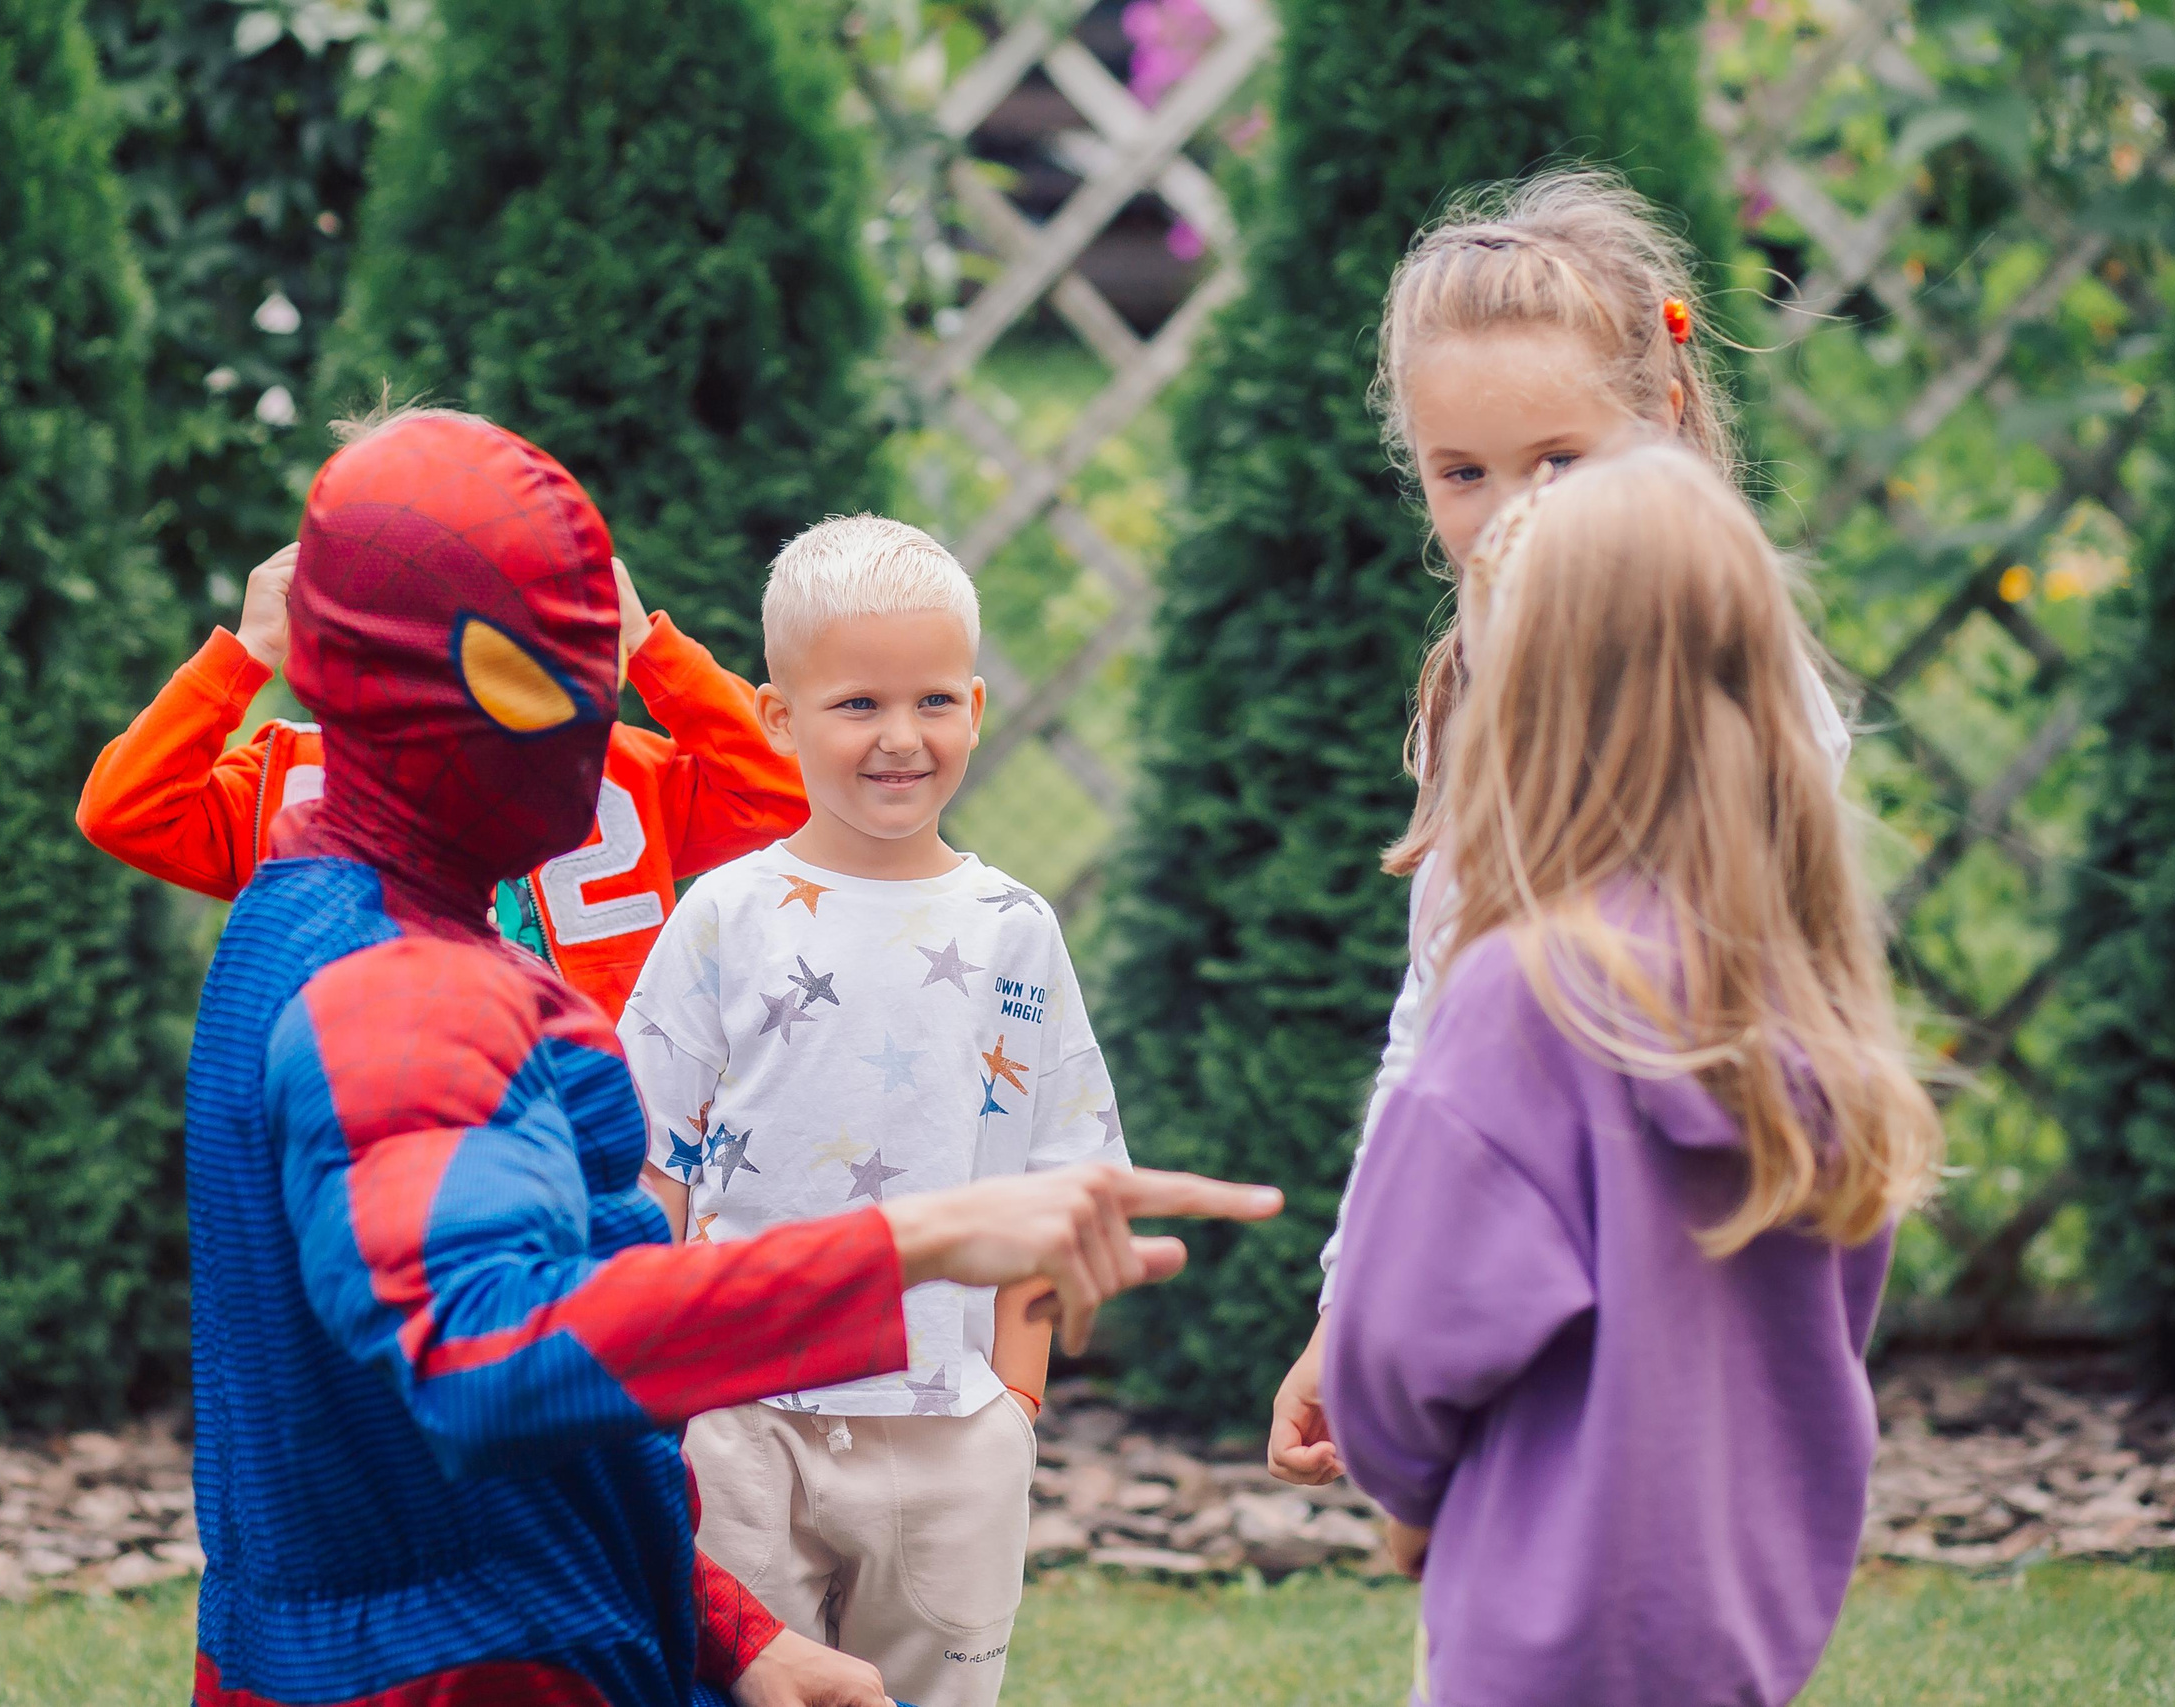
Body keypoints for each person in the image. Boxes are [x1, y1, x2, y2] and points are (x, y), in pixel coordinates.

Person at [178, 409, 1279, 1707]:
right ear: (430, 689)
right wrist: (906, 1244)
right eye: (555, 678)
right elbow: (499, 1358)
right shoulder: (399, 994)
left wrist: (735, 1634)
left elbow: (563, 1434)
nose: (597, 733)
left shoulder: (318, 912)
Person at [1322, 445, 1943, 1706]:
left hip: (1531, 1628)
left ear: (1524, 713)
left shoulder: (1524, 998)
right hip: (1736, 1628)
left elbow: (1397, 1340)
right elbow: (1832, 1328)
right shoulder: (1810, 997)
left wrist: (1408, 1489)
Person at [1267, 168, 1853, 1486]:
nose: (1511, 508)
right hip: (1497, 1256)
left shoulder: (1743, 691)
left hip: (1678, 1264)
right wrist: (1356, 1293)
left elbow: (1772, 996)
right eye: (1462, 472)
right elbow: (1431, 1010)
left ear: (1667, 414)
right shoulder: (1468, 693)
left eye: (1558, 461)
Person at [616, 515, 1114, 1707]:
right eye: (857, 706)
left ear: (979, 709)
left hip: (952, 1428)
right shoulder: (722, 918)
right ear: (780, 721)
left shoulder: (1014, 930)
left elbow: (1063, 1167)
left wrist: (1016, 1396)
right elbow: (648, 1160)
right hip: (740, 1424)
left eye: (935, 700)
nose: (902, 738)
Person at [77, 513, 805, 1020]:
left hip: (606, 1170)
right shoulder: (287, 778)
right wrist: (246, 651)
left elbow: (781, 788)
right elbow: (124, 810)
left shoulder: (612, 767)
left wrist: (647, 643)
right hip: (391, 1164)